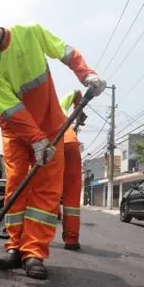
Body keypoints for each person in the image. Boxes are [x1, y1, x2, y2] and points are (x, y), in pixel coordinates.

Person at [0, 1, 106, 279]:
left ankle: (33, 252)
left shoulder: (30, 33)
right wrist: (34, 140)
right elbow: (11, 108)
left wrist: (87, 74)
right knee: (17, 186)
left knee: (46, 188)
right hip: (16, 131)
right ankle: (14, 247)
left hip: (51, 125)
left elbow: (65, 52)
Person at [59, 89, 85, 251]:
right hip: (71, 144)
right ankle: (71, 239)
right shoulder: (60, 105)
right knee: (72, 194)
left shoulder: (37, 107)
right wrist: (79, 110)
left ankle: (37, 242)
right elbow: (76, 92)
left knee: (46, 192)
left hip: (51, 144)